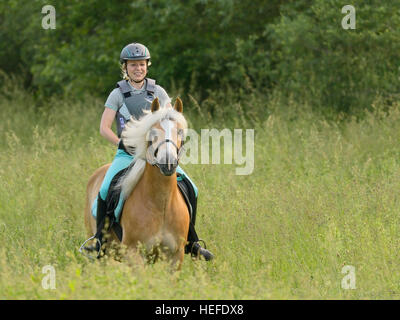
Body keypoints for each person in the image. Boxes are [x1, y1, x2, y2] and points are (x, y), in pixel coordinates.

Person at [81, 43, 213, 261]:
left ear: (147, 66)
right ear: (125, 67)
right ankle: (99, 240)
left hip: (156, 154)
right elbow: (104, 128)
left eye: (141, 64)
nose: (138, 68)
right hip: (127, 155)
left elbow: (171, 120)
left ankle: (192, 241)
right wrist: (122, 144)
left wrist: (172, 142)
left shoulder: (159, 92)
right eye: (133, 65)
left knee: (193, 188)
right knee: (105, 189)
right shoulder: (117, 94)